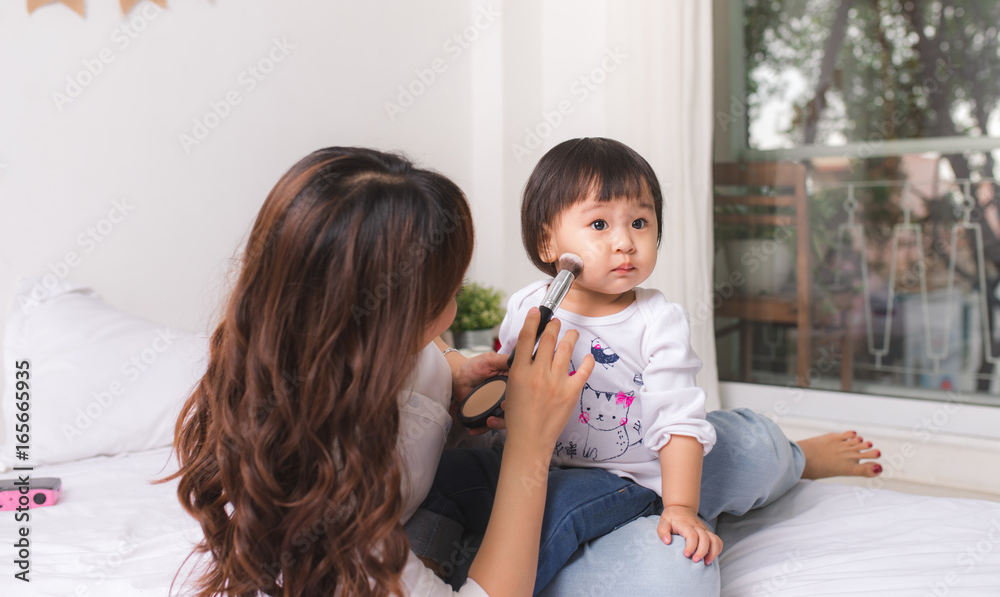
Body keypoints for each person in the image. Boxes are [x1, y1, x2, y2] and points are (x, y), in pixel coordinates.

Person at [407, 138, 883, 596]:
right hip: (520, 464)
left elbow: (676, 419)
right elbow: (515, 384)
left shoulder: (657, 323)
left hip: (618, 476)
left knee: (746, 450)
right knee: (450, 478)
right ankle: (446, 569)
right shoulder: (529, 304)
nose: (625, 243)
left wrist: (680, 508)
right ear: (547, 242)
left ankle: (793, 461)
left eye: (639, 222)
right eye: (599, 225)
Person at [165, 147, 596, 597]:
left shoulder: (339, 339)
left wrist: (455, 376)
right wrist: (531, 447)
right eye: (451, 293)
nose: (451, 314)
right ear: (387, 324)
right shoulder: (326, 509)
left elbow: (429, 353)